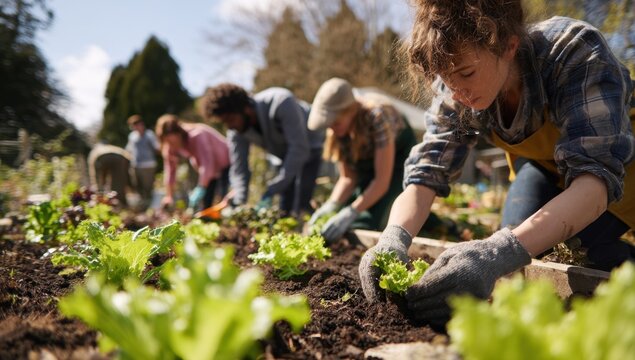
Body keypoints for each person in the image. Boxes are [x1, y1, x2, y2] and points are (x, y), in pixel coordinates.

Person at [359, 0, 635, 324]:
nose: (457, 92)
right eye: (447, 79)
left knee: (580, 254)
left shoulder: (572, 52)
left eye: (466, 73)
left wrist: (495, 253)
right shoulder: (457, 90)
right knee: (519, 254)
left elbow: (594, 181)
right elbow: (428, 171)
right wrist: (393, 237)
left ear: (508, 46)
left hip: (616, 176)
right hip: (550, 170)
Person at [306, 78, 418, 243]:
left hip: (398, 161)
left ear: (350, 111)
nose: (332, 129)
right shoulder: (339, 132)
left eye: (336, 122)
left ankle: (430, 221)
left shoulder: (377, 117)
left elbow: (381, 181)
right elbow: (348, 179)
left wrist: (352, 212)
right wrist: (332, 205)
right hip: (373, 164)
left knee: (366, 221)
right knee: (343, 214)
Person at [200, 83, 325, 215]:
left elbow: (299, 148)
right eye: (225, 122)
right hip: (283, 154)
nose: (230, 126)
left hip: (309, 145)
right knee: (285, 208)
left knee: (301, 202)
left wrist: (274, 187)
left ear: (246, 108)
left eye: (231, 119)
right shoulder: (236, 131)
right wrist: (239, 201)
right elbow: (239, 168)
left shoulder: (281, 102)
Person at [155, 114, 230, 211]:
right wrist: (169, 196)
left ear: (179, 134)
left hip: (226, 163)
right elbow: (170, 170)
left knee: (223, 200)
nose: (171, 146)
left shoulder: (198, 135)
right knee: (206, 204)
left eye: (172, 142)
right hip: (211, 172)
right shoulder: (170, 145)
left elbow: (207, 164)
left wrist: (200, 188)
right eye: (167, 142)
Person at [125, 114, 160, 210]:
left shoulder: (149, 134)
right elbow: (129, 149)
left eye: (136, 125)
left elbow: (157, 148)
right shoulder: (132, 136)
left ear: (141, 124)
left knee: (148, 187)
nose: (135, 128)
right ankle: (142, 206)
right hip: (136, 165)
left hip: (148, 165)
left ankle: (150, 207)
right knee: (138, 186)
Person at [87, 143, 131, 207]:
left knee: (99, 182)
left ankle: (101, 200)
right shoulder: (117, 150)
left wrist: (97, 184)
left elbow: (94, 173)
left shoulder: (95, 152)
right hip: (119, 157)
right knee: (118, 182)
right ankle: (118, 201)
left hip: (101, 158)